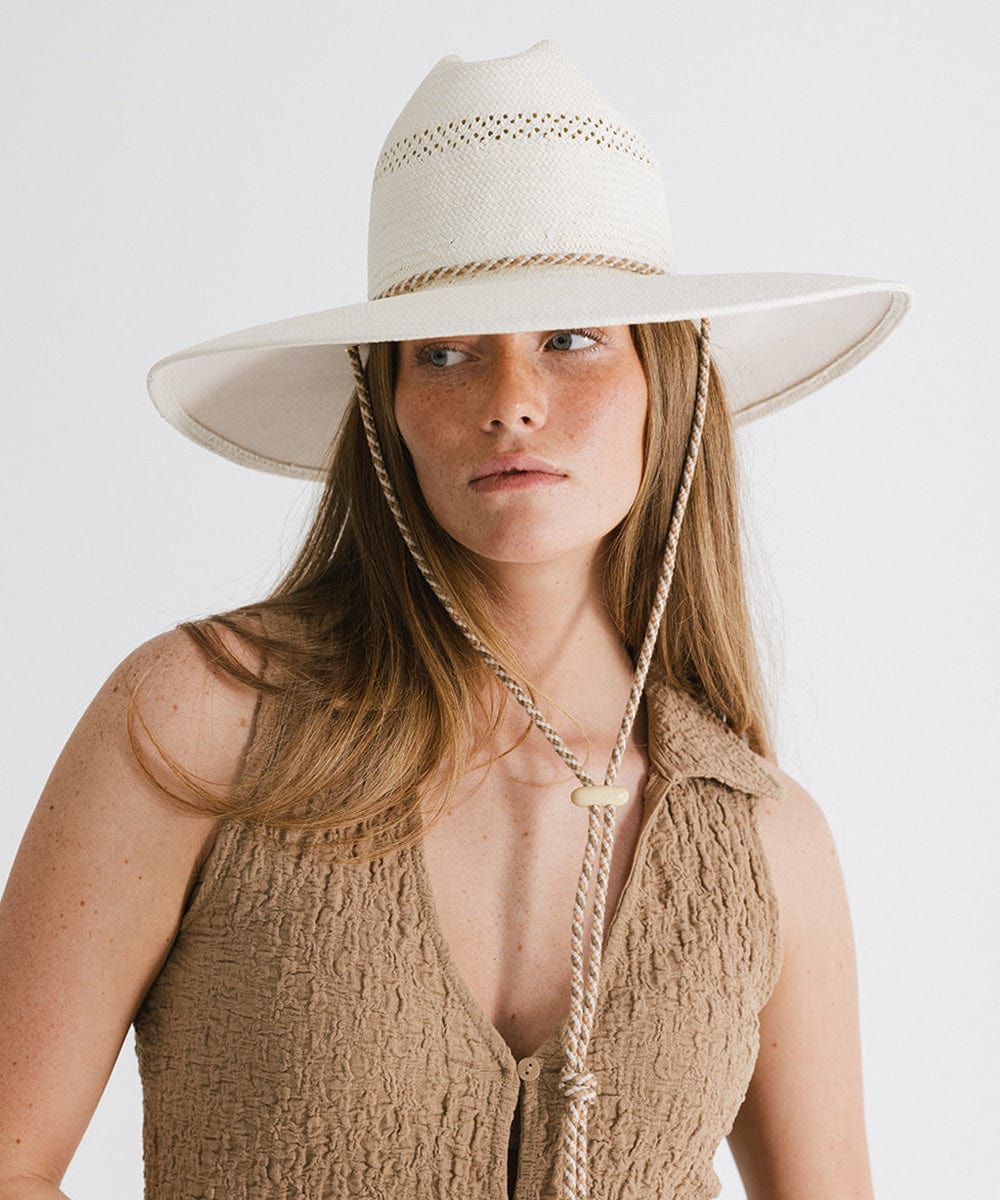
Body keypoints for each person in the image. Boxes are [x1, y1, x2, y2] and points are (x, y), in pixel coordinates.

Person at [0, 39, 911, 1200]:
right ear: (386, 407)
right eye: (445, 352)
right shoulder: (203, 721)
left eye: (571, 338)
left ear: (663, 382)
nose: (511, 402)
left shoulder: (766, 840)